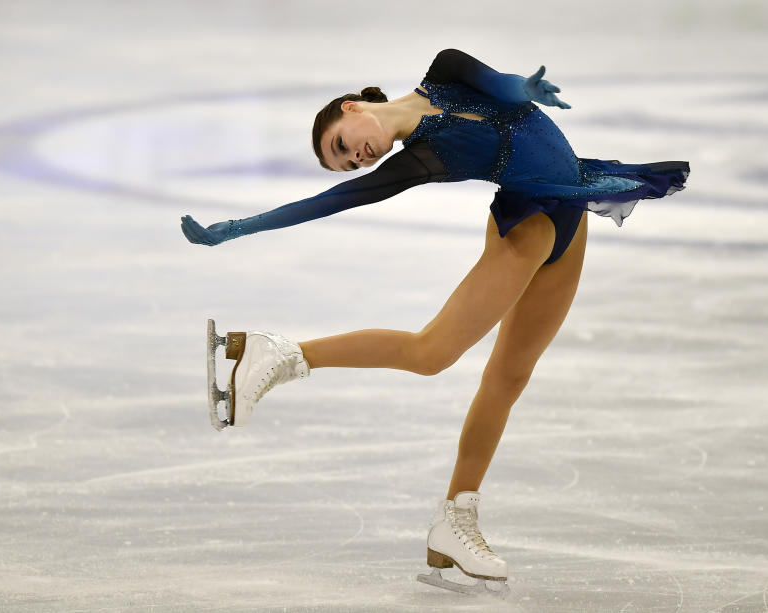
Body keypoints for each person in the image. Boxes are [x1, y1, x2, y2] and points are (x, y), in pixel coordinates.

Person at [181, 48, 689, 593]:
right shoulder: (422, 159)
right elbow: (328, 203)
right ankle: (280, 354)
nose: (357, 158)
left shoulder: (444, 71)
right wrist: (235, 228)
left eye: (342, 146)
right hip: (530, 224)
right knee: (431, 354)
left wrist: (524, 88)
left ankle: (455, 519)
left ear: (351, 108)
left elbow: (497, 83)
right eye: (350, 162)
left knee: (511, 377)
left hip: (573, 210)